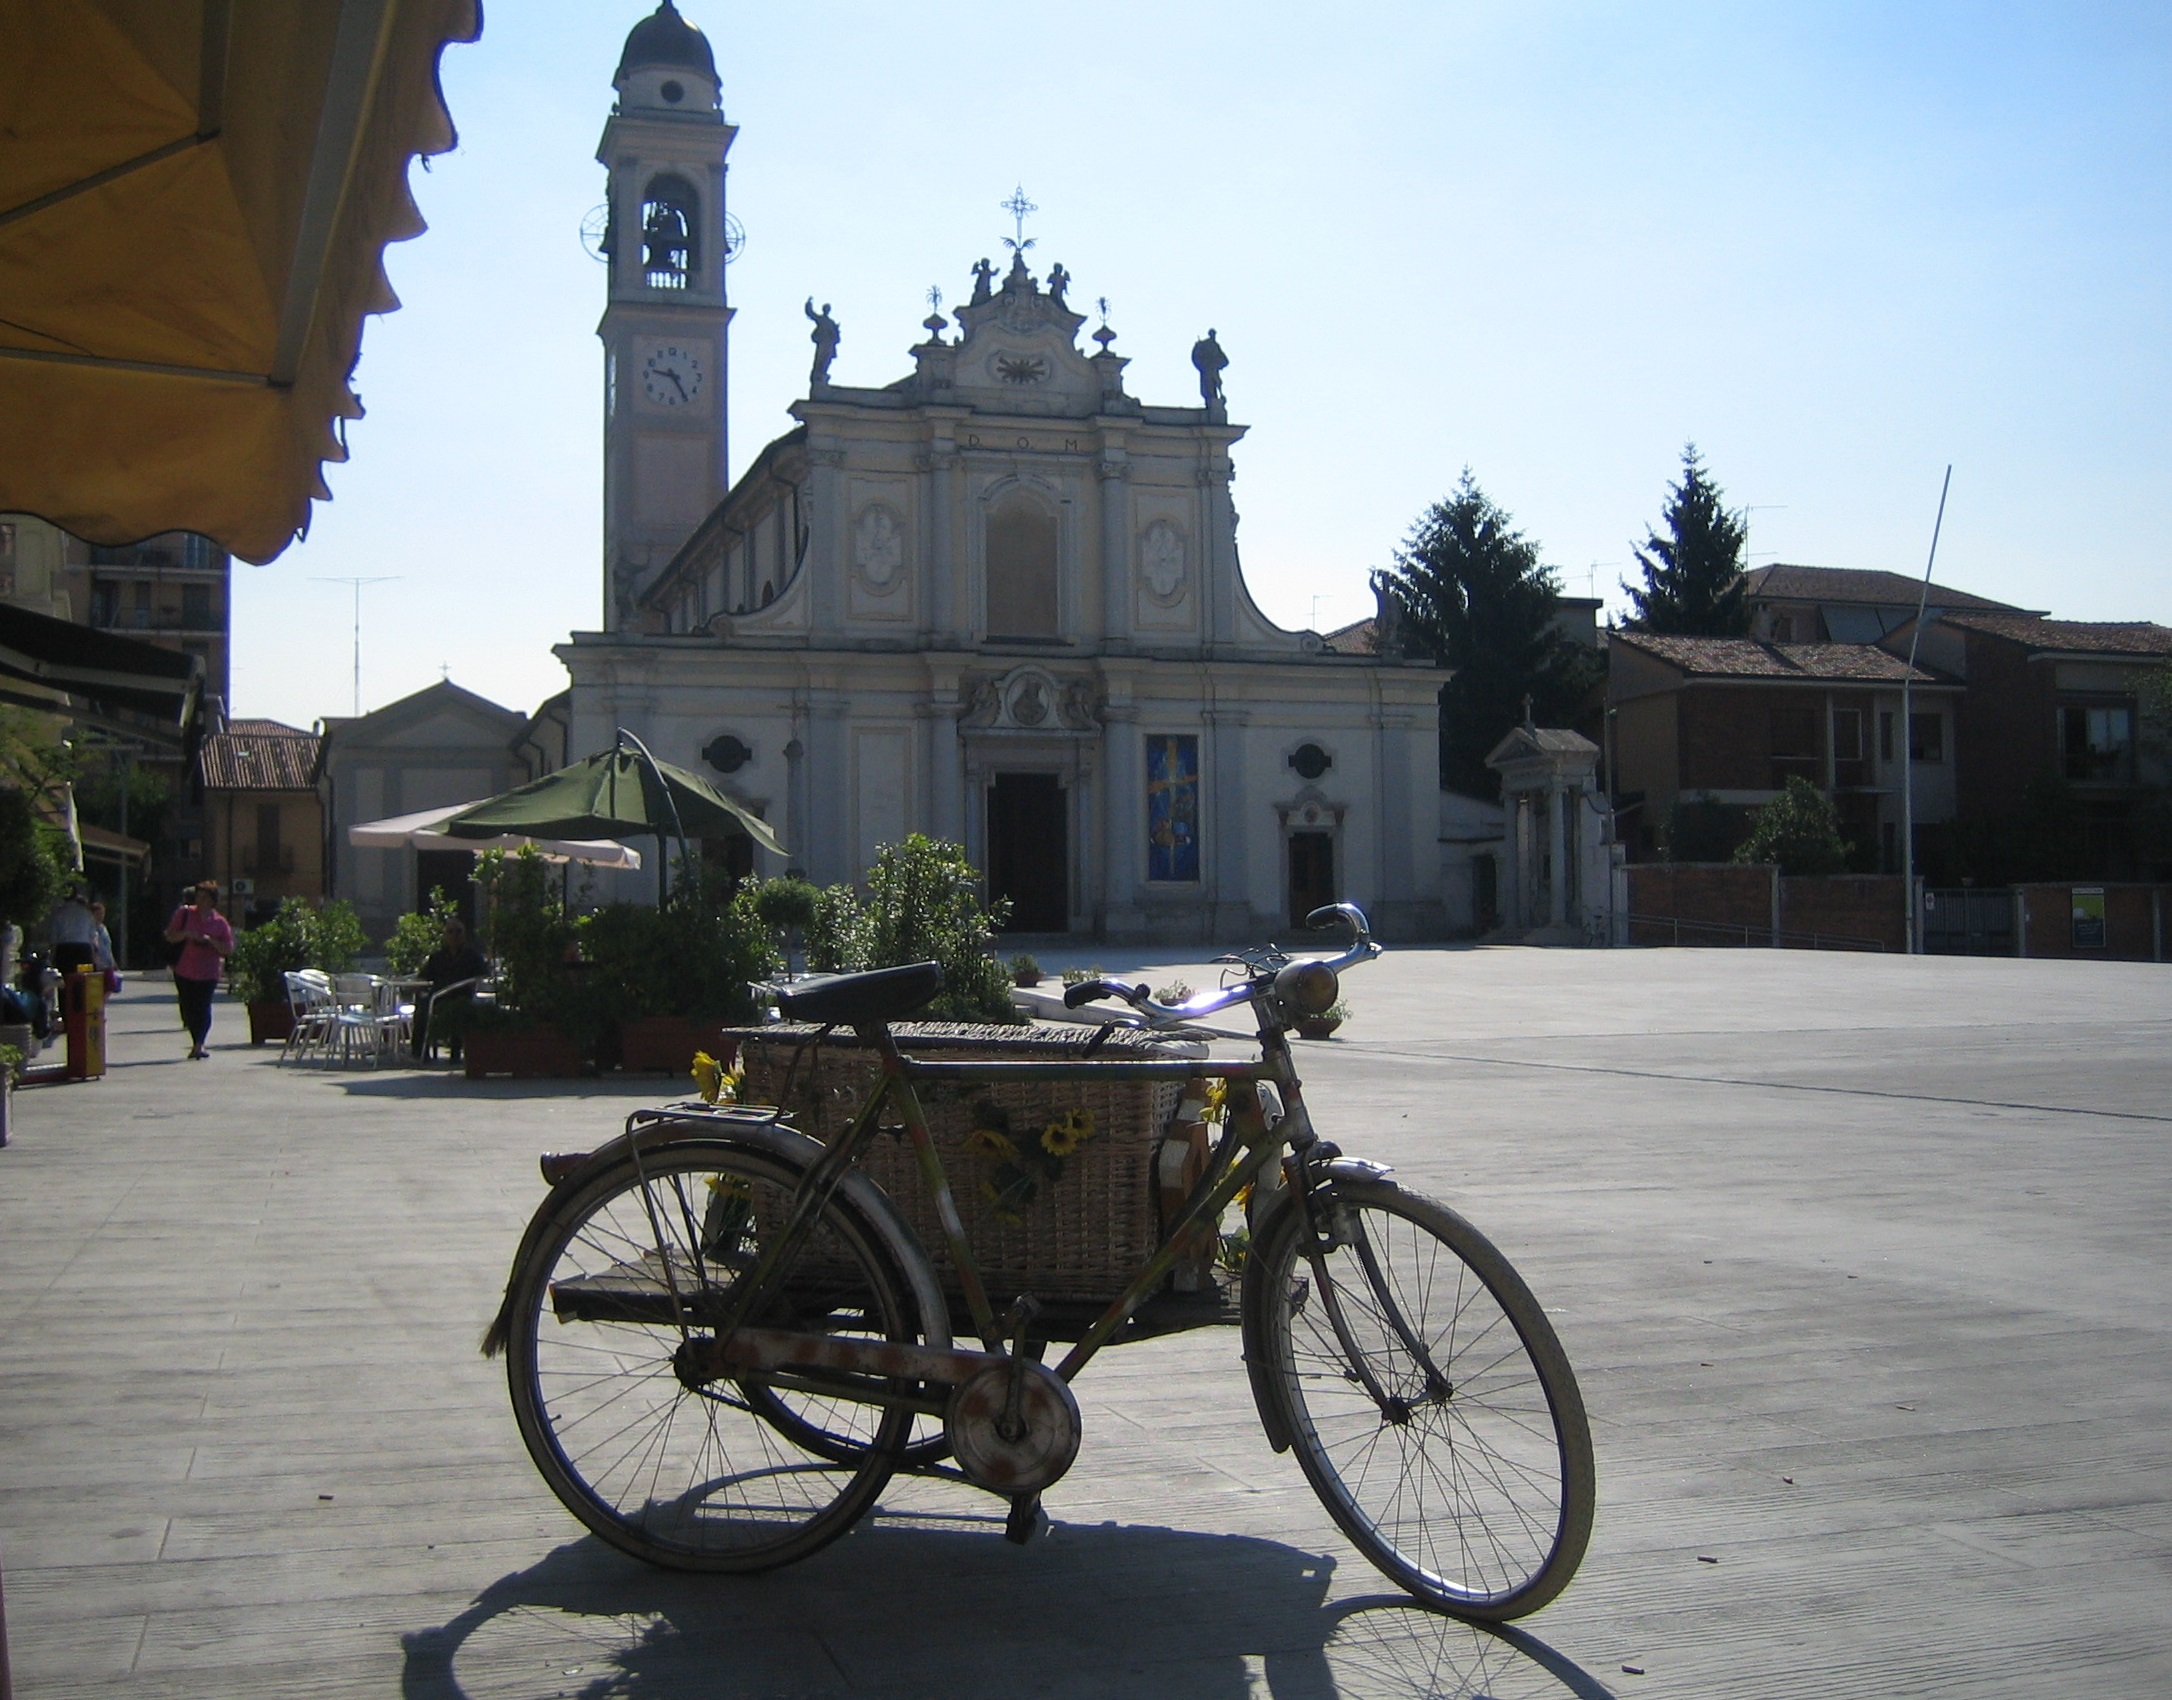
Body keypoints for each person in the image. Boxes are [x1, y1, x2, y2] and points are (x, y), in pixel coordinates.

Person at [164, 882, 233, 1060]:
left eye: (204, 897)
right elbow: (170, 936)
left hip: (208, 971)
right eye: (198, 896)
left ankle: (198, 1044)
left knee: (203, 1007)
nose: (200, 900)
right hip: (184, 968)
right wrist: (187, 934)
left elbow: (228, 948)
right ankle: (196, 1039)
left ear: (212, 901)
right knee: (188, 1007)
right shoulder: (185, 914)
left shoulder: (219, 923)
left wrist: (211, 941)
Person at [414, 917, 488, 1061]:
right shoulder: (437, 957)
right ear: (445, 935)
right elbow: (423, 976)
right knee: (423, 1005)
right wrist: (419, 985)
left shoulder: (472, 956)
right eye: (451, 931)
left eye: (458, 931)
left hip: (463, 995)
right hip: (439, 996)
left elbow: (483, 976)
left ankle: (456, 1052)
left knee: (459, 1007)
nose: (455, 935)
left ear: (464, 934)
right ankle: (420, 1052)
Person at [48, 886, 98, 975]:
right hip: (84, 951)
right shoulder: (86, 913)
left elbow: (53, 938)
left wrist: (52, 957)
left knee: (65, 977)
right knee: (84, 977)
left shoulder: (59, 913)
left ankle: (67, 988)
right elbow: (93, 936)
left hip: (65, 950)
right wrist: (94, 957)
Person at [90, 900, 120, 997]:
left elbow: (108, 946)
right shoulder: (90, 929)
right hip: (97, 965)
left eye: (102, 914)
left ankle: (101, 1005)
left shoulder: (104, 928)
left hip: (107, 964)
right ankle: (98, 1007)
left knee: (110, 986)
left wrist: (113, 961)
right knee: (97, 989)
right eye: (98, 914)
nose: (100, 916)